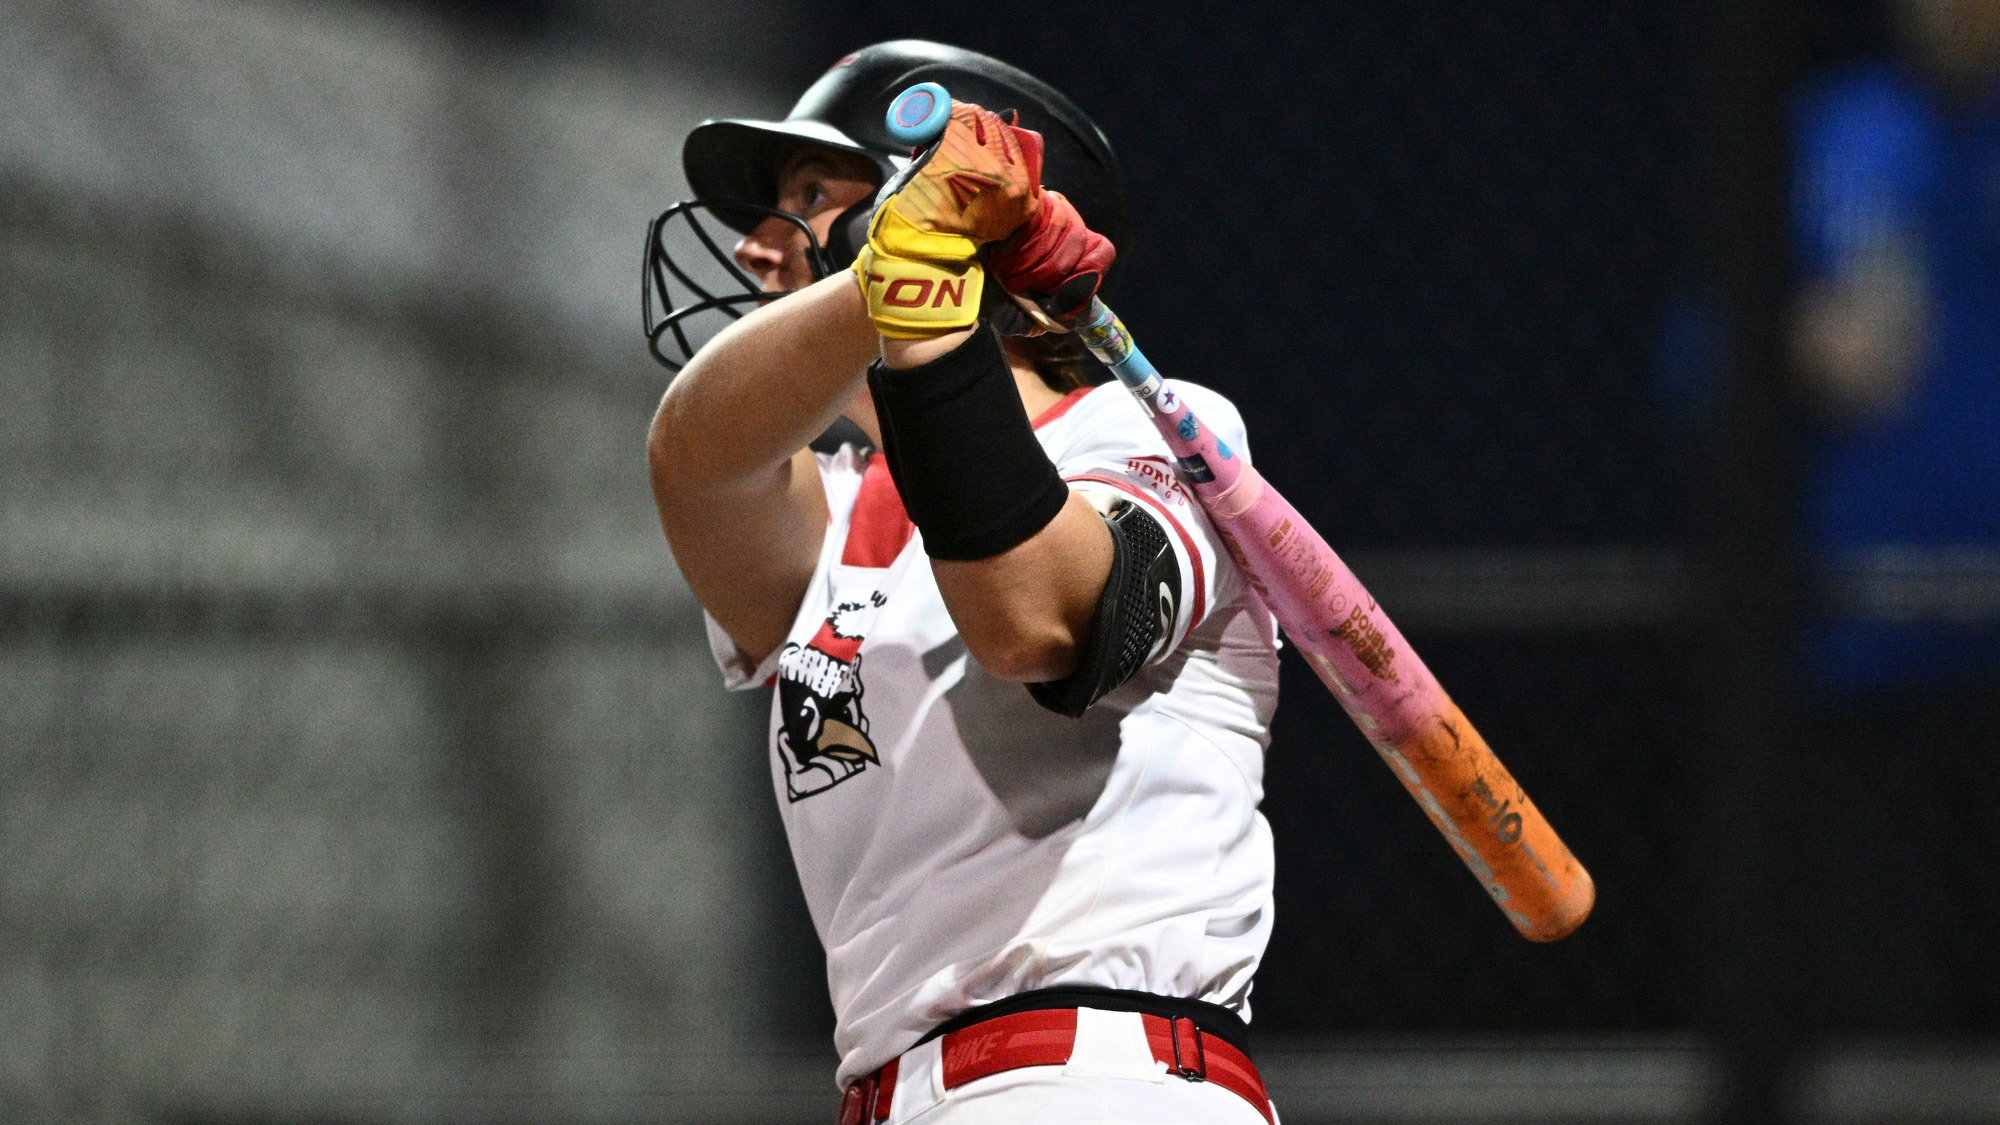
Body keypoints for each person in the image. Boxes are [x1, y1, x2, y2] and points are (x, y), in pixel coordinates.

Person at [643, 41, 1282, 1125]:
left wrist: (928, 277)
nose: (757, 247)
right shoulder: (837, 507)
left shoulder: (1152, 427)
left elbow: (1034, 622)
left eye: (806, 195)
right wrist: (892, 271)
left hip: (1100, 1082)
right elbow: (694, 458)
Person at [1786, 0, 2000, 1031]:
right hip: (1870, 658)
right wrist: (1797, 343)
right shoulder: (1832, 133)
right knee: (1884, 1023)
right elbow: (1695, 356)